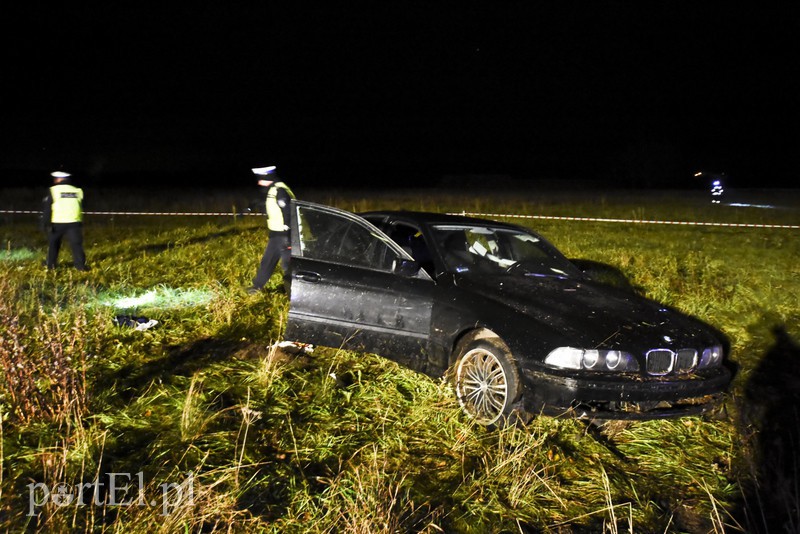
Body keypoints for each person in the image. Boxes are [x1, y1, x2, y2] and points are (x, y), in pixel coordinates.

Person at [248, 166, 295, 294]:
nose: (258, 182)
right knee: (267, 261)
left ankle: (293, 294)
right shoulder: (273, 189)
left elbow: (288, 212)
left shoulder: (280, 190)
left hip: (285, 235)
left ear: (266, 177)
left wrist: (288, 234)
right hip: (276, 234)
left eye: (260, 179)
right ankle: (256, 287)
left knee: (287, 266)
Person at [42, 170, 88, 271]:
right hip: (74, 222)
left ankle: (51, 265)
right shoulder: (77, 190)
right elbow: (82, 205)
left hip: (57, 222)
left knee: (54, 244)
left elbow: (47, 208)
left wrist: (45, 223)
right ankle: (81, 267)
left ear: (58, 179)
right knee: (76, 245)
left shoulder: (53, 190)